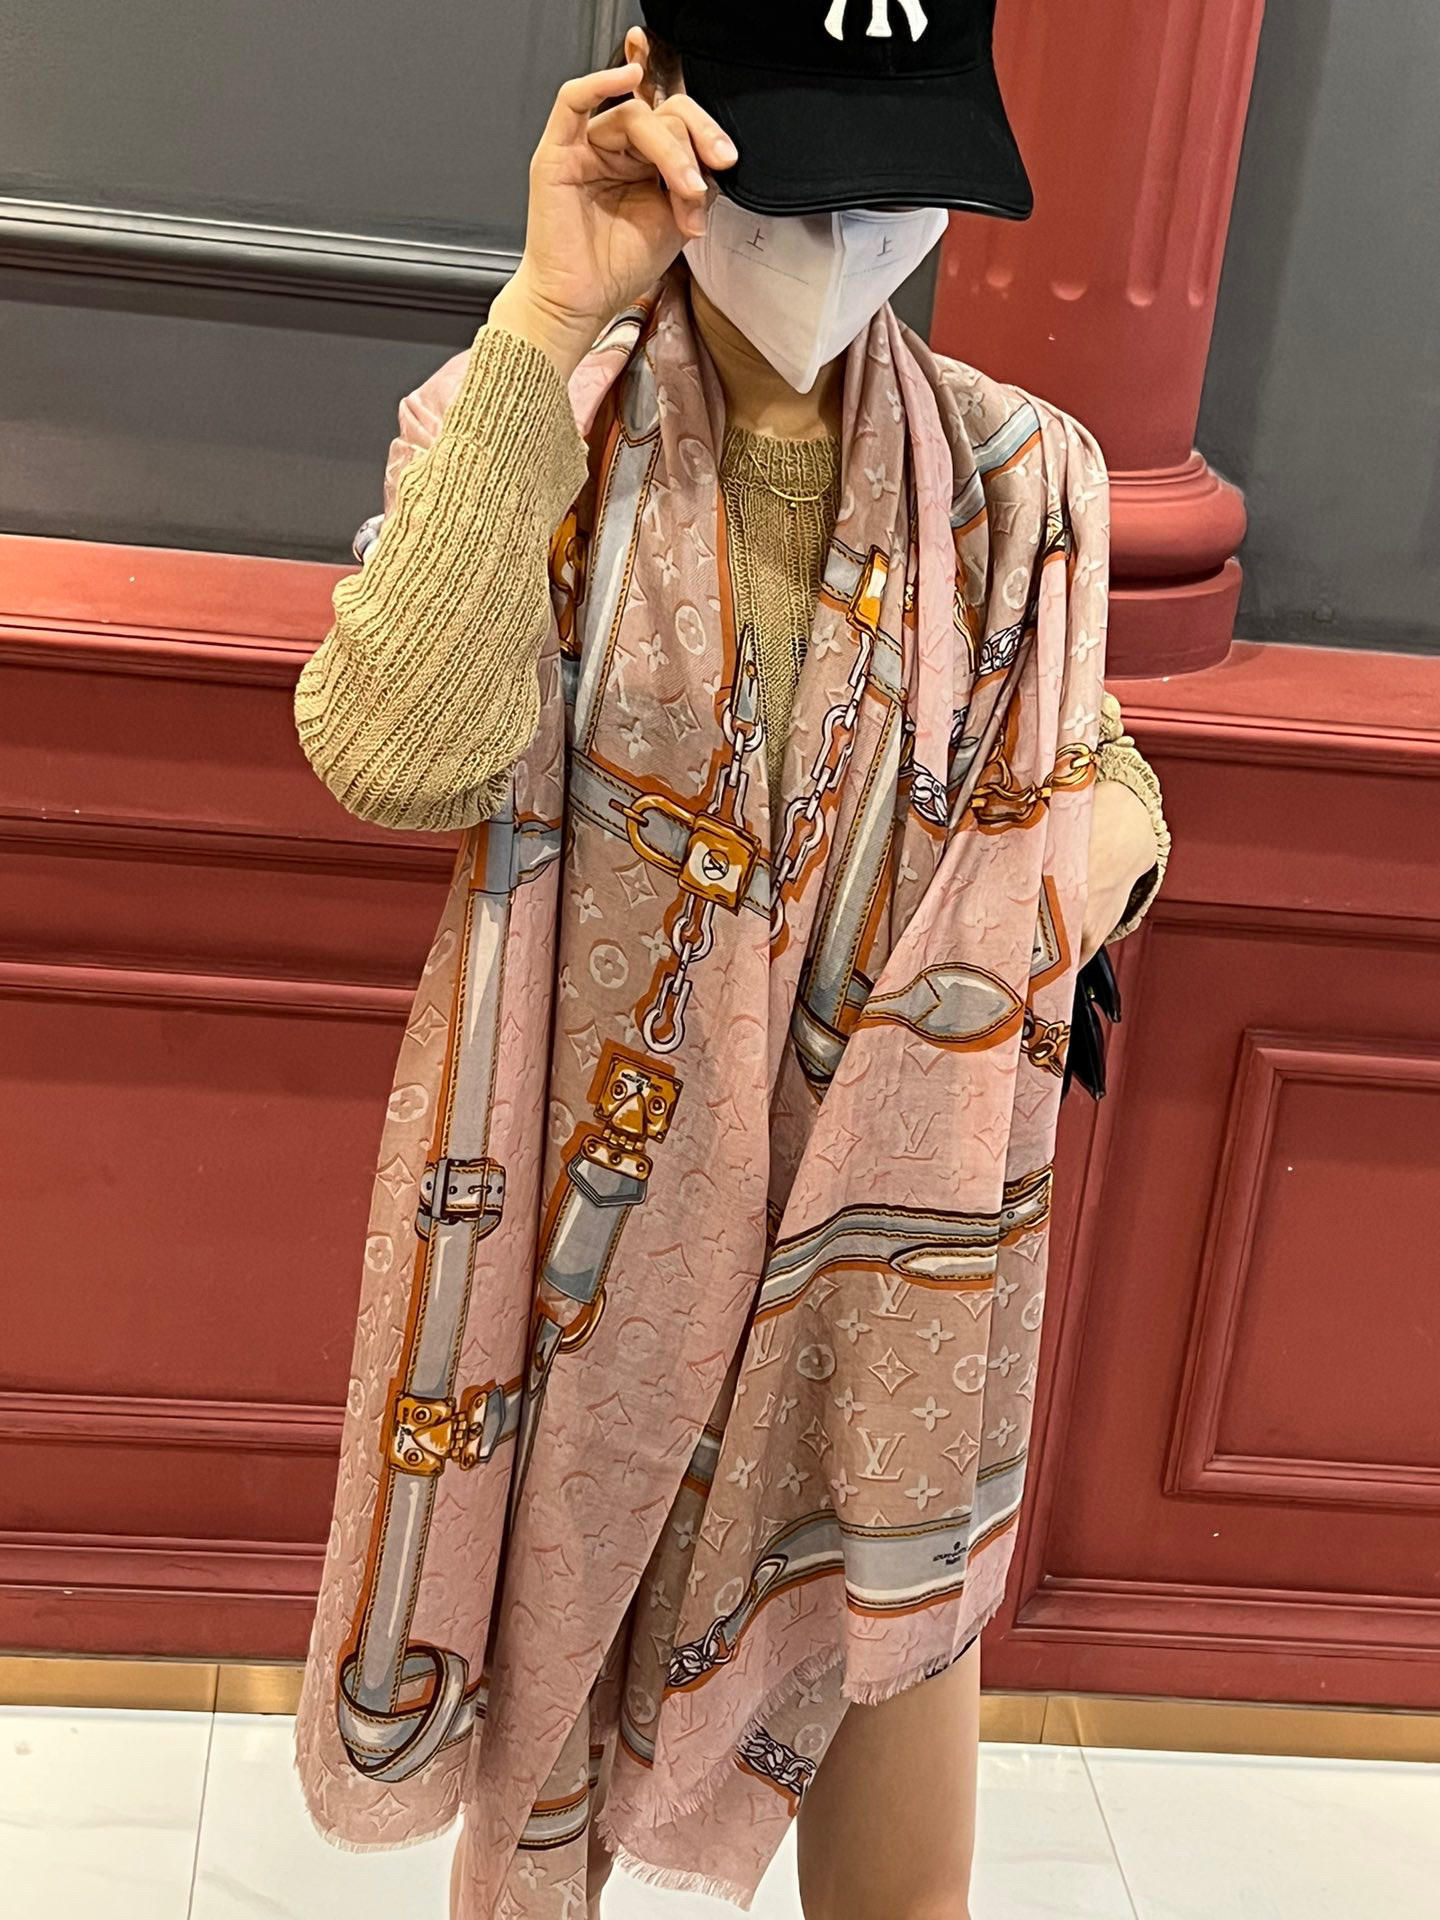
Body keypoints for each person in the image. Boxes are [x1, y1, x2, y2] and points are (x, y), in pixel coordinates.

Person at [292, 6, 1170, 1917]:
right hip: (583, 1265)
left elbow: (1081, 753)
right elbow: (391, 749)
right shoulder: (526, 436)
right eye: (799, 177)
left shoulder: (1026, 479)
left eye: (892, 185)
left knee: (901, 1855)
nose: (843, 235)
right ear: (659, 96)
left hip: (883, 1268)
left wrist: (1107, 845)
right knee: (546, 1768)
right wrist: (546, 312)